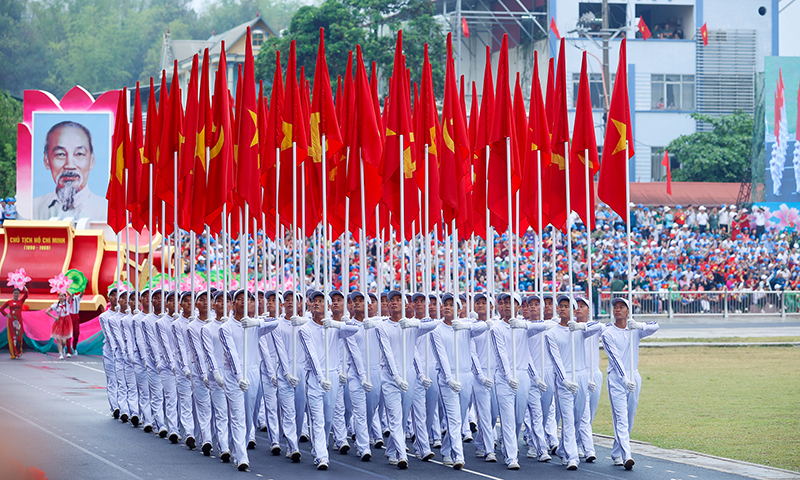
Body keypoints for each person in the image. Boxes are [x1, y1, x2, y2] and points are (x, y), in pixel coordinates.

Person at [376, 290, 439, 469]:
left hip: (409, 373)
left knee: (403, 416)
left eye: (398, 300)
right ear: (388, 305)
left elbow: (434, 324)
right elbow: (387, 353)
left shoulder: (411, 325)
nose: (394, 302)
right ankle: (402, 454)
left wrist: (413, 323)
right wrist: (395, 376)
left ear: (405, 305)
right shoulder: (382, 326)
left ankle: (391, 450)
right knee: (395, 417)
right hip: (390, 375)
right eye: (391, 300)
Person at [298, 290, 361, 470]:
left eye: (320, 301)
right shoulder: (305, 329)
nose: (316, 304)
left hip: (332, 375)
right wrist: (320, 377)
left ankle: (320, 447)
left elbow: (355, 329)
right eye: (314, 301)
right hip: (315, 378)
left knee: (327, 419)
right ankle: (321, 456)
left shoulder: (333, 326)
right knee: (317, 419)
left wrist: (336, 324)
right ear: (309, 305)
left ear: (327, 306)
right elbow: (311, 356)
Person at [429, 293, 487, 469]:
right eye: (444, 304)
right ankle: (458, 456)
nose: (447, 307)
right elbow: (441, 357)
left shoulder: (466, 326)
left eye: (451, 304)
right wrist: (448, 378)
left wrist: (464, 324)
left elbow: (483, 326)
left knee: (460, 418)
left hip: (466, 375)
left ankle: (446, 450)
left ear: (459, 309)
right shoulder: (437, 331)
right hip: (448, 379)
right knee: (453, 419)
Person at [601, 298, 659, 470]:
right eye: (615, 307)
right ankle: (627, 455)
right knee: (620, 418)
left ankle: (616, 452)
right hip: (617, 379)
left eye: (622, 307)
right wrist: (624, 378)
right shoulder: (608, 333)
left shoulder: (634, 329)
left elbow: (655, 325)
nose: (618, 310)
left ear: (628, 311)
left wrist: (639, 326)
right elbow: (615, 359)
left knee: (629, 416)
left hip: (634, 376)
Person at [545, 295, 602, 470]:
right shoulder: (551, 333)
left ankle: (563, 448)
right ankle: (572, 457)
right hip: (564, 379)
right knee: (568, 420)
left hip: (581, 376)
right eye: (560, 306)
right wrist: (564, 380)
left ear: (574, 310)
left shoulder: (579, 329)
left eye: (566, 306)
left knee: (579, 418)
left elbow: (599, 326)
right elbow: (556, 360)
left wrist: (580, 326)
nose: (562, 309)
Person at [33, 121, 108, 220]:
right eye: (60, 154)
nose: (70, 165)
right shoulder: (33, 209)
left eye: (79, 154)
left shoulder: (107, 211)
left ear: (92, 160)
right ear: (46, 160)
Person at [1, 287, 28, 359]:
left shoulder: (21, 301)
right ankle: (13, 354)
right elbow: (1, 309)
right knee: (12, 338)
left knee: (19, 338)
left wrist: (24, 287)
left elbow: (26, 295)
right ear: (12, 294)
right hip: (11, 321)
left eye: (17, 293)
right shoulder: (9, 302)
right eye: (15, 293)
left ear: (19, 294)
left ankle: (19, 351)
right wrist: (6, 315)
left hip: (19, 322)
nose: (16, 294)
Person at [46, 292, 73, 360]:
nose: (61, 297)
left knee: (64, 341)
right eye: (60, 296)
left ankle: (63, 348)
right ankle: (60, 354)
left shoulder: (67, 303)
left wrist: (65, 289)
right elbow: (47, 311)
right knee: (58, 339)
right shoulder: (56, 305)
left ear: (65, 297)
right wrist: (54, 317)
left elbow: (71, 295)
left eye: (62, 296)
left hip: (66, 323)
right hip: (59, 322)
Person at [67, 289, 83, 356]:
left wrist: (82, 286)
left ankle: (74, 348)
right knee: (69, 334)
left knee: (76, 333)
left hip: (76, 316)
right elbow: (70, 294)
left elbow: (83, 292)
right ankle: (68, 351)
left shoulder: (77, 297)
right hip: (70, 316)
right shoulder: (68, 298)